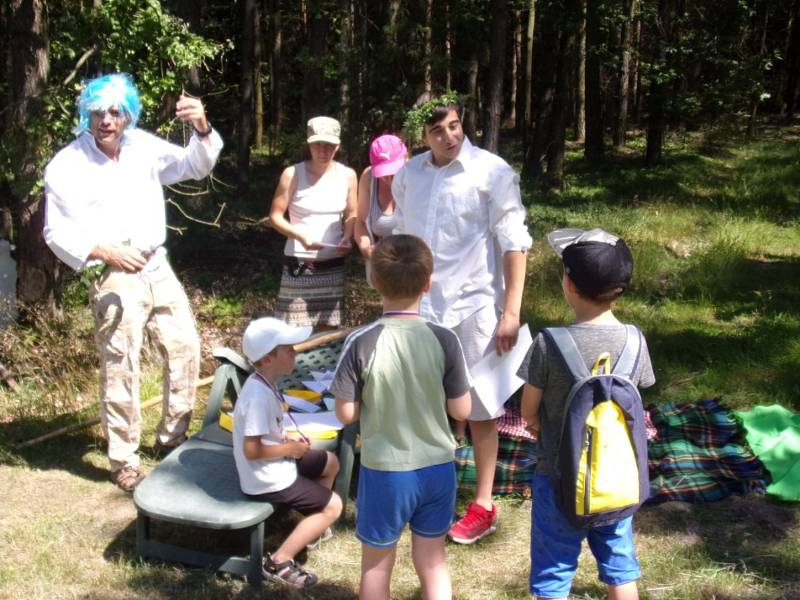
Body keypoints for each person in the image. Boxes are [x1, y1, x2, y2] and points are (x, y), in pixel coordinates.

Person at [43, 73, 223, 492]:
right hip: (114, 272)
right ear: (86, 113)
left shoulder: (143, 146)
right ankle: (123, 459)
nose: (106, 119)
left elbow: (194, 165)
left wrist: (201, 126)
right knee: (120, 364)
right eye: (98, 111)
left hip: (157, 265)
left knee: (185, 349)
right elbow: (56, 232)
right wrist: (105, 252)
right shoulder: (67, 164)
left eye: (115, 111)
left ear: (127, 114)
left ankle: (171, 439)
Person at [391, 91, 533, 543]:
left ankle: (484, 504)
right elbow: (402, 238)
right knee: (425, 405)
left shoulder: (492, 171)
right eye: (437, 130)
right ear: (422, 135)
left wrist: (510, 311)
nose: (449, 136)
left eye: (454, 125)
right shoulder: (410, 173)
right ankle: (431, 494)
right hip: (421, 306)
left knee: (481, 409)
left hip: (473, 305)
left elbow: (515, 241)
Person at [331, 234, 472, 600]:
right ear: (428, 284)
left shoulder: (361, 341)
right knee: (433, 561)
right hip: (438, 468)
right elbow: (462, 410)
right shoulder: (445, 339)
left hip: (386, 472)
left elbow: (346, 413)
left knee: (377, 567)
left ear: (374, 280)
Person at [518, 228, 655, 600]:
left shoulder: (548, 343)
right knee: (620, 568)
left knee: (553, 573)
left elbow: (529, 410)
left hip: (558, 479)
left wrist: (533, 423)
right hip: (616, 480)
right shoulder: (635, 341)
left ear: (569, 284)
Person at [234, 317, 343, 590]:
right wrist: (291, 448)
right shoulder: (257, 396)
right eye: (288, 349)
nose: (295, 351)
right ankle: (279, 562)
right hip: (267, 477)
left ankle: (309, 526)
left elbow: (265, 434)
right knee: (335, 506)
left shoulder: (265, 382)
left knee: (331, 462)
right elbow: (252, 450)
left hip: (278, 462)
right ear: (268, 359)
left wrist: (286, 439)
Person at [269, 116, 358, 329]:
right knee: (292, 329)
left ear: (338, 147)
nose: (323, 151)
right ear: (309, 144)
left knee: (328, 328)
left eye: (330, 146)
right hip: (299, 263)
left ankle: (326, 364)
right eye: (318, 144)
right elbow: (275, 216)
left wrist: (347, 237)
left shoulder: (348, 175)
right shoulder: (292, 174)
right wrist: (299, 235)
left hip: (333, 263)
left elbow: (353, 212)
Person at [354, 134, 408, 260]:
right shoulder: (368, 177)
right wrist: (366, 248)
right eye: (384, 174)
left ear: (406, 159)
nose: (389, 180)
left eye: (394, 172)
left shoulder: (420, 177)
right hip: (380, 263)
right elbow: (361, 221)